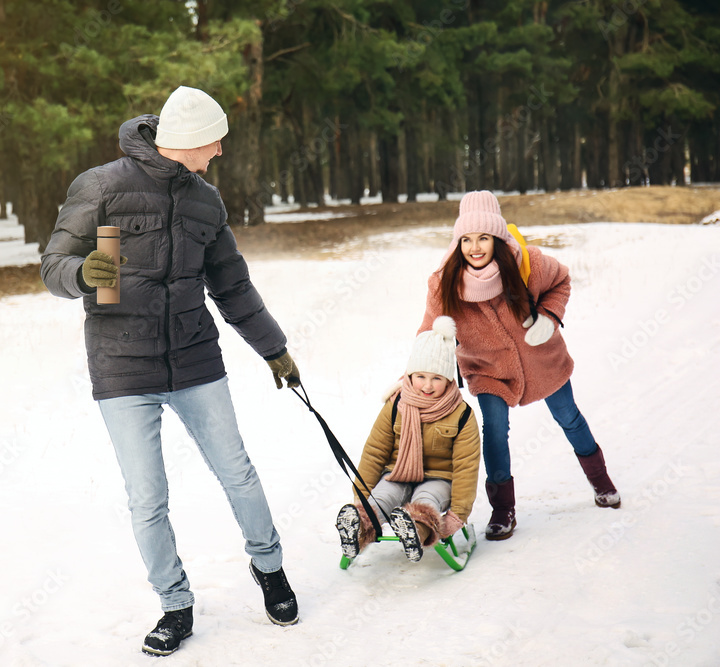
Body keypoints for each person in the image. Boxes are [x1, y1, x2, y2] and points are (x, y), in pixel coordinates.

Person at [40, 85, 301, 657]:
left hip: (195, 359)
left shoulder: (206, 202)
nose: (220, 153)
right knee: (148, 498)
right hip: (122, 367)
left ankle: (270, 568)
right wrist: (85, 272)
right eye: (216, 142)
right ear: (190, 141)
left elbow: (233, 286)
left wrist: (274, 349)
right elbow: (53, 265)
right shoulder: (101, 186)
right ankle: (174, 604)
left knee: (239, 473)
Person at [418, 190, 621, 541]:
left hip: (542, 360)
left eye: (483, 237)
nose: (475, 247)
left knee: (569, 417)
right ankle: (503, 510)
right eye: (466, 239)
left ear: (497, 237)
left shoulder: (528, 264)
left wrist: (549, 315)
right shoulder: (444, 282)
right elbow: (428, 331)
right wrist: (415, 374)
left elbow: (562, 281)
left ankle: (601, 481)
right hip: (486, 369)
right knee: (495, 431)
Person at [336, 316, 481, 562]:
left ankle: (415, 530)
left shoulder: (461, 414)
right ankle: (356, 528)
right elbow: (375, 452)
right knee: (381, 498)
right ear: (410, 375)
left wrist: (458, 513)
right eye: (421, 376)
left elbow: (467, 467)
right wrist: (361, 493)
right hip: (397, 474)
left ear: (448, 379)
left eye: (436, 378)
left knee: (426, 500)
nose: (427, 385)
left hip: (439, 479)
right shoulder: (396, 406)